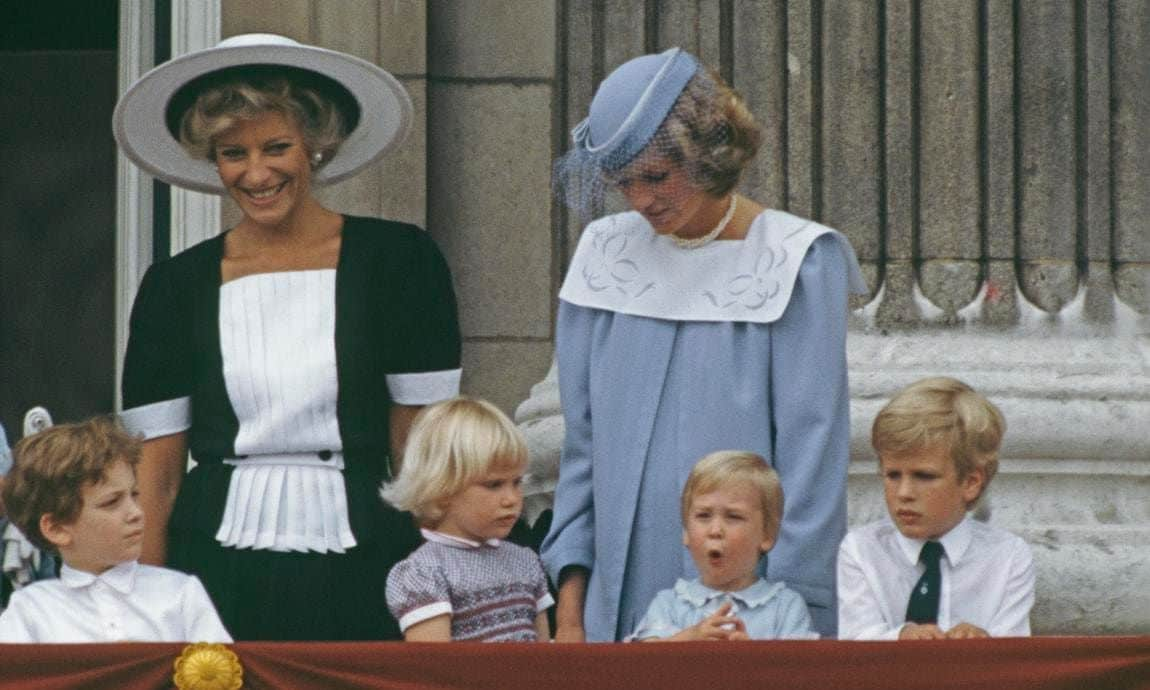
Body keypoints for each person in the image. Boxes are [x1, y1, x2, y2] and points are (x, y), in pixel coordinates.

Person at [113, 34, 461, 640]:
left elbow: (421, 445)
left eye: (277, 147)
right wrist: (148, 606)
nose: (256, 173)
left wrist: (438, 573)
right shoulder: (174, 286)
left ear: (317, 148)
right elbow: (157, 472)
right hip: (212, 564)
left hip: (370, 552)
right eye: (232, 153)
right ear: (211, 159)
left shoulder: (400, 261)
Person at [542, 47, 866, 641]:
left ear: (709, 154)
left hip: (750, 610)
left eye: (657, 176)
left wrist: (786, 622)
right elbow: (582, 451)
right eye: (623, 182)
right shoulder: (603, 258)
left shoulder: (796, 260)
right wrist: (570, 605)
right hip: (616, 603)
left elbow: (811, 462)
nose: (640, 201)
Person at [836, 377, 1036, 640]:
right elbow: (854, 642)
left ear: (970, 483)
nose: (904, 493)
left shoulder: (1008, 558)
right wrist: (900, 638)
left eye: (924, 476)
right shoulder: (862, 551)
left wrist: (986, 645)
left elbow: (1017, 656)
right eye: (892, 475)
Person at [0, 417, 231, 643]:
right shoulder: (30, 610)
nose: (136, 513)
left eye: (134, 495)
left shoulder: (180, 594)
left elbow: (224, 673)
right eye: (111, 502)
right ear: (57, 528)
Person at [382, 397, 552, 642]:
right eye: (494, 485)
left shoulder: (525, 561)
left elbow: (545, 655)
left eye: (517, 483)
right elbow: (434, 668)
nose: (511, 499)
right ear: (442, 490)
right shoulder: (426, 572)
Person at [630, 451, 813, 641]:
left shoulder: (785, 607)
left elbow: (798, 669)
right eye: (703, 516)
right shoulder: (669, 604)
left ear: (767, 535)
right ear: (685, 532)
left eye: (733, 516)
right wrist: (689, 638)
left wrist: (753, 658)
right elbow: (642, 661)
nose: (715, 530)